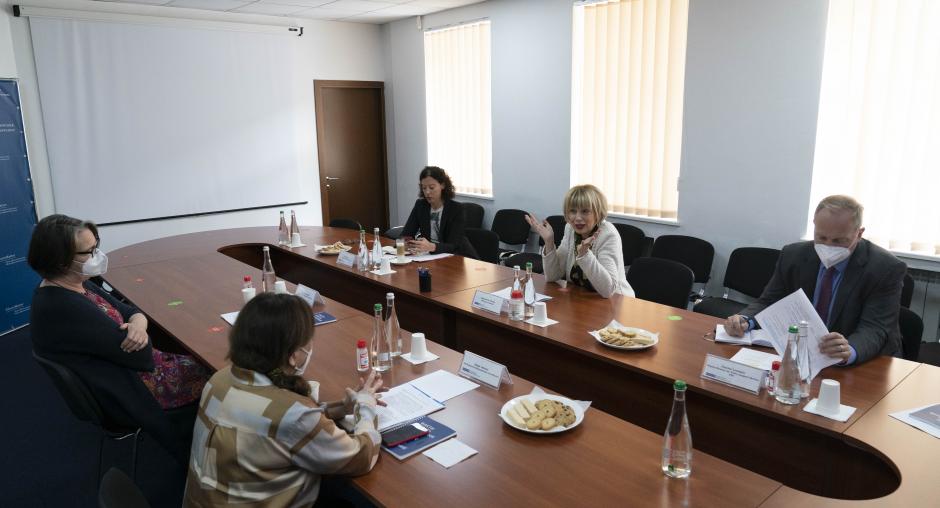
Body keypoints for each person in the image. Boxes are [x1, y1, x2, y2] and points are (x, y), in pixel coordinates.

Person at [28, 214, 209, 464]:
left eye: (96, 246)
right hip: (131, 388)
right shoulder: (64, 307)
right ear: (61, 260)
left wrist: (138, 325)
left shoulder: (73, 284)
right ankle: (205, 455)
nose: (98, 255)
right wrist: (139, 328)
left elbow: (131, 311)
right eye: (89, 252)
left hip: (127, 369)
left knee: (194, 355)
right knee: (215, 373)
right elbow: (141, 356)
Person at [185, 293, 384, 507]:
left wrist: (340, 408)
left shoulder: (219, 379)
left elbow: (272, 419)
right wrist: (366, 407)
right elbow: (361, 456)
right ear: (293, 355)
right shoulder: (293, 417)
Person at [724, 195, 906, 366]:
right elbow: (770, 300)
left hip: (864, 361)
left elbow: (875, 328)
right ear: (814, 225)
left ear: (859, 233)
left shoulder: (885, 268)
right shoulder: (793, 255)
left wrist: (849, 351)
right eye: (821, 237)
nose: (828, 246)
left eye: (839, 240)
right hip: (803, 351)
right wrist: (745, 320)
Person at [526, 184, 634, 298]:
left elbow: (608, 290)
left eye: (585, 211)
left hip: (618, 300)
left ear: (598, 213)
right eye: (573, 211)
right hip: (583, 297)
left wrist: (585, 255)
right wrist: (549, 242)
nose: (577, 218)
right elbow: (553, 276)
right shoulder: (570, 229)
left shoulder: (608, 234)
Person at [401, 166, 478, 258]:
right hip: (429, 256)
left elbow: (454, 245)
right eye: (424, 188)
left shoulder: (456, 209)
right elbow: (407, 233)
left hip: (456, 257)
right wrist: (406, 242)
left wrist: (432, 247)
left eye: (431, 188)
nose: (427, 192)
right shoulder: (421, 205)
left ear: (442, 185)